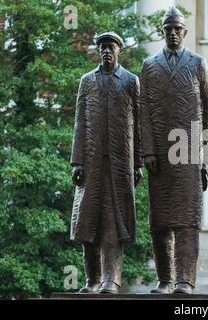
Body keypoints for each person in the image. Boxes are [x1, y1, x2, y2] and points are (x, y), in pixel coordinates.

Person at [139, 7, 208, 294]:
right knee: (159, 223)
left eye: (177, 29)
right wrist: (147, 151)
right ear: (162, 32)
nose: (172, 33)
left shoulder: (197, 63)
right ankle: (165, 279)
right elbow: (143, 110)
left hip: (190, 152)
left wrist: (207, 155)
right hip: (159, 154)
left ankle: (185, 281)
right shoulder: (149, 65)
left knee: (188, 221)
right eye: (167, 28)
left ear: (184, 32)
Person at [70, 32, 142, 294]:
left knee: (114, 223)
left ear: (119, 50)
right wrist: (77, 161)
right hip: (90, 165)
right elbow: (80, 122)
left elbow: (138, 126)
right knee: (88, 223)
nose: (106, 51)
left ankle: (111, 280)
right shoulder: (87, 81)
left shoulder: (131, 82)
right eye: (102, 47)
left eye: (110, 47)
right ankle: (91, 280)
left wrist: (138, 163)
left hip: (120, 165)